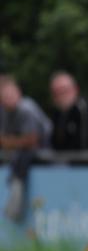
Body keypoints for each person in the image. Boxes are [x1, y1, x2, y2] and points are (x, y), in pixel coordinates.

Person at [0, 79, 48, 221]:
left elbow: (32, 140)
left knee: (23, 157)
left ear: (19, 94)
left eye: (11, 95)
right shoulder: (4, 112)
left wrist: (10, 142)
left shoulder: (26, 109)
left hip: (46, 149)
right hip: (21, 153)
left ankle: (16, 196)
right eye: (5, 97)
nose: (9, 99)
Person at [48, 71, 88, 151]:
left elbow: (84, 146)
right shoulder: (58, 113)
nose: (60, 96)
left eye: (64, 91)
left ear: (75, 89)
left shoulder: (85, 111)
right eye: (56, 93)